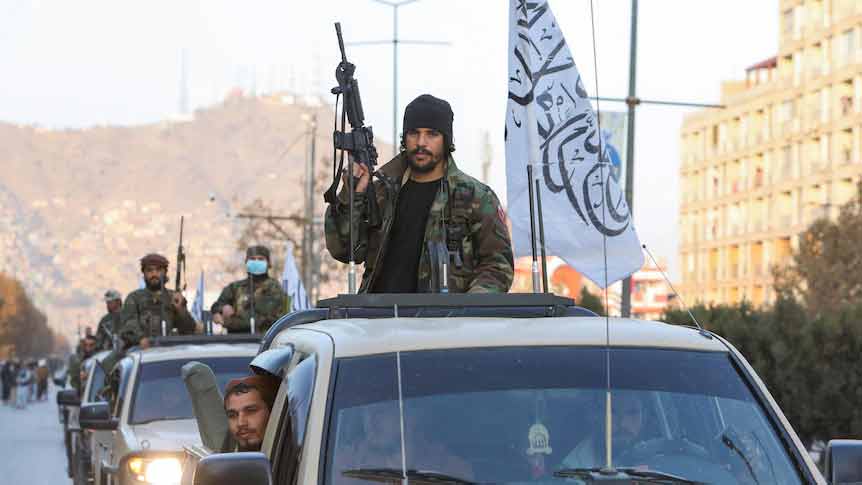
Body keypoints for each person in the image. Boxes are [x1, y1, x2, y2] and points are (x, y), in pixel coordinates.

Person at [325, 94, 514, 293]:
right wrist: (351, 196)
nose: (421, 142)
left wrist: (464, 311)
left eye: (432, 134)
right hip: (377, 318)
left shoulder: (476, 198)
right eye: (414, 133)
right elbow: (343, 250)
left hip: (442, 321)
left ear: (446, 140)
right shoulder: (382, 193)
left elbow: (498, 267)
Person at [119, 253, 197, 349]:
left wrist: (180, 309)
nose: (154, 274)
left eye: (158, 270)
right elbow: (128, 325)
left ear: (165, 272)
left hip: (171, 350)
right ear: (144, 274)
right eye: (150, 270)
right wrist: (140, 338)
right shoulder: (134, 298)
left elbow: (189, 329)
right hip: (140, 350)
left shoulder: (174, 297)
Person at [211, 246, 288, 334]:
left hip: (265, 341)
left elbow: (260, 320)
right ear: (246, 262)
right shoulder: (235, 287)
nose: (256, 262)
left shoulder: (274, 288)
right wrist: (220, 310)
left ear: (268, 263)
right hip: (237, 341)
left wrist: (227, 322)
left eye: (260, 259)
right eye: (252, 259)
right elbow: (217, 304)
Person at [223, 375, 279, 452]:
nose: (241, 423)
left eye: (251, 411)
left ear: (272, 412)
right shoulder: (227, 460)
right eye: (232, 415)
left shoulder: (295, 456)